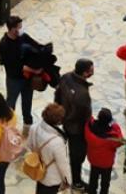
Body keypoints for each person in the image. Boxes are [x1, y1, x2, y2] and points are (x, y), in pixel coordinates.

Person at [54, 59, 93, 191]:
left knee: (73, 152)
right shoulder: (82, 94)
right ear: (85, 72)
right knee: (78, 155)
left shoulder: (65, 77)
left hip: (67, 123)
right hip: (77, 129)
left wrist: (61, 115)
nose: (93, 71)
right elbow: (80, 115)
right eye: (91, 69)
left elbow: (57, 94)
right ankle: (76, 181)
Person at [0, 15, 40, 134]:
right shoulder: (4, 45)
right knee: (11, 103)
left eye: (21, 26)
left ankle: (27, 126)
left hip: (27, 78)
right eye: (18, 27)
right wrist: (34, 71)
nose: (20, 29)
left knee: (27, 101)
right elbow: (15, 66)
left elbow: (36, 47)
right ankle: (8, 127)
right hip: (14, 79)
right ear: (11, 29)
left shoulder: (23, 37)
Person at [26, 103, 71, 194]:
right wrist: (67, 182)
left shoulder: (34, 127)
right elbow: (63, 165)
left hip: (38, 168)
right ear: (58, 121)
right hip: (51, 177)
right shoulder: (57, 141)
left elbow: (29, 145)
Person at [84, 108, 123, 194]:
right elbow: (120, 141)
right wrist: (116, 126)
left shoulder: (90, 129)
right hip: (106, 164)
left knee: (93, 179)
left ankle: (92, 191)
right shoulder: (112, 137)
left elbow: (89, 120)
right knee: (105, 183)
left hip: (94, 161)